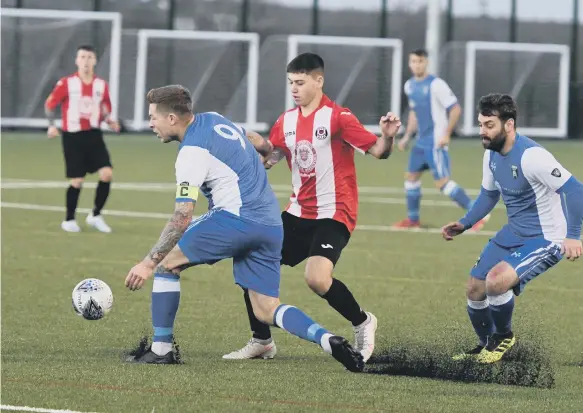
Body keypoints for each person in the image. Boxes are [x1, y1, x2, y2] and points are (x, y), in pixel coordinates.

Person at [124, 85, 400, 370]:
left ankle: (161, 349)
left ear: (172, 119)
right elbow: (252, 138)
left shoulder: (191, 153)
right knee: (266, 309)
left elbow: (182, 216)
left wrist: (147, 263)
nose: (150, 124)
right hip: (271, 225)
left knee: (166, 264)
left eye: (153, 117)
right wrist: (266, 149)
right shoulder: (216, 119)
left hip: (235, 220)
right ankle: (327, 339)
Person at [223, 53, 399, 363]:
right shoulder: (286, 120)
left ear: (318, 81)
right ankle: (261, 341)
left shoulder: (339, 117)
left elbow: (379, 151)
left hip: (334, 212)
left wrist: (387, 136)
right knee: (252, 262)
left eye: (300, 82)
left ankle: (363, 322)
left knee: (317, 278)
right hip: (297, 214)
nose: (294, 88)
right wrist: (250, 143)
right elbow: (271, 156)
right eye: (291, 82)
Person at [441, 93, 583, 363]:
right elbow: (488, 195)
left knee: (497, 281)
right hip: (513, 232)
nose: (483, 131)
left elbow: (576, 190)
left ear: (509, 125)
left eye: (489, 125)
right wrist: (465, 223)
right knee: (474, 288)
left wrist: (573, 236)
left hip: (546, 238)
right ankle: (487, 346)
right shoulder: (491, 154)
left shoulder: (533, 157)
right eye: (481, 124)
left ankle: (503, 336)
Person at [394, 48, 488, 231]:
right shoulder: (409, 85)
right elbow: (414, 113)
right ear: (409, 63)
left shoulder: (436, 84)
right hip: (420, 142)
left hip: (435, 141)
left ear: (426, 62)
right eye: (413, 61)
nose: (416, 65)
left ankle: (476, 216)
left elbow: (455, 109)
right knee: (411, 178)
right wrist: (406, 137)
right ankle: (413, 221)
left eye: (420, 61)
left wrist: (446, 133)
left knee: (443, 183)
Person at [45, 44, 120, 233]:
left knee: (107, 173)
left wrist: (110, 120)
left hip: (94, 135)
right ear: (76, 60)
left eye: (89, 57)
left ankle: (95, 215)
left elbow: (104, 108)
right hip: (72, 136)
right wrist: (52, 125)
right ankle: (69, 219)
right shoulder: (66, 83)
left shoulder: (101, 85)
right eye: (82, 57)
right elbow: (50, 104)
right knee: (77, 179)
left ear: (94, 61)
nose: (86, 61)